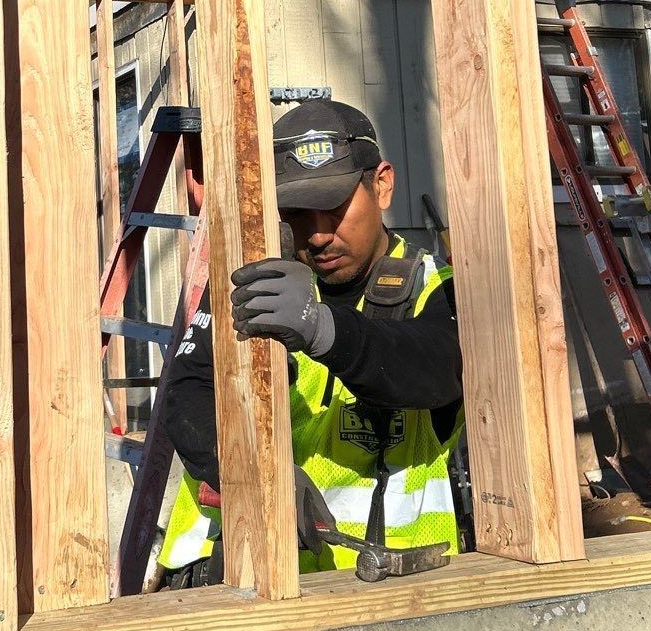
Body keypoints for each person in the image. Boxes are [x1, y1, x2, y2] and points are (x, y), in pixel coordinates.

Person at [156, 99, 465, 585]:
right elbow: (186, 391)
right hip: (230, 577)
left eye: (335, 208)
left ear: (381, 185)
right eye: (297, 213)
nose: (318, 235)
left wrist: (324, 329)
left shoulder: (435, 287)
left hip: (379, 588)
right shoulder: (254, 282)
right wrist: (254, 477)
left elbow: (433, 369)